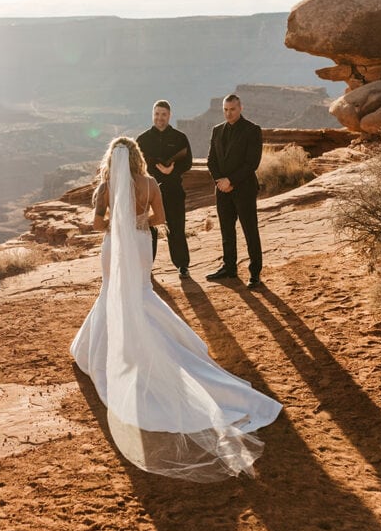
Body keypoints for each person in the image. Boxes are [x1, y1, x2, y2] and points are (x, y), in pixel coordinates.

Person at [71, 137, 281, 481]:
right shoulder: (151, 183)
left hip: (114, 246)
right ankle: (157, 341)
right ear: (138, 158)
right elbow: (161, 217)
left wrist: (116, 227)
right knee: (140, 291)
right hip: (140, 243)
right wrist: (135, 224)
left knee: (112, 291)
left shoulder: (105, 187)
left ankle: (109, 351)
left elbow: (97, 224)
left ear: (112, 158)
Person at [206, 94, 264, 288]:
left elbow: (252, 163)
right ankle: (229, 267)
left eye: (232, 109)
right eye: (225, 109)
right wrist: (220, 182)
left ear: (240, 108)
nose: (228, 113)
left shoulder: (252, 130)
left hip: (244, 189)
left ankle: (255, 273)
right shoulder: (217, 130)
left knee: (250, 230)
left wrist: (231, 180)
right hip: (222, 190)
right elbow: (211, 160)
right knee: (226, 231)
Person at [137, 100, 193, 277]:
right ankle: (146, 267)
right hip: (148, 193)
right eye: (157, 114)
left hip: (173, 190)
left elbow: (188, 162)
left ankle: (182, 265)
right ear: (152, 115)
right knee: (149, 230)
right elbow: (136, 166)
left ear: (169, 116)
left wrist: (172, 169)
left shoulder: (179, 138)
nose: (160, 118)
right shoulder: (142, 140)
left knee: (176, 227)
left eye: (163, 114)